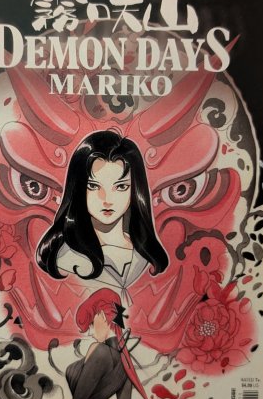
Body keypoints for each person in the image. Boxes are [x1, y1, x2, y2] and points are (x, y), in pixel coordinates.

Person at [36, 129, 168, 304]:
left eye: (120, 187)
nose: (107, 199)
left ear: (135, 190)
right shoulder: (65, 256)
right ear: (78, 188)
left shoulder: (144, 253)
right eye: (93, 186)